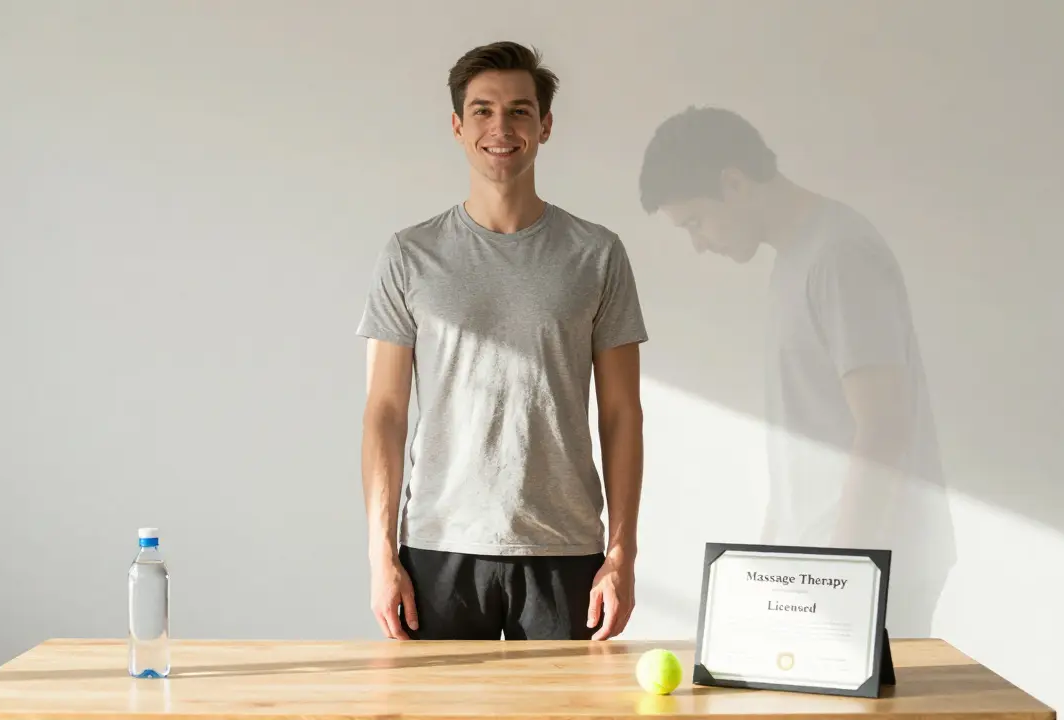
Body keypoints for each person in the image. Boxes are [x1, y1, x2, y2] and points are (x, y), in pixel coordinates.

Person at [356, 41, 648, 642]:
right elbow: (384, 413)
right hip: (438, 549)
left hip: (566, 550)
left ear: (544, 125)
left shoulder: (596, 254)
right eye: (483, 110)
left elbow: (622, 414)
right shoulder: (411, 255)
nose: (501, 127)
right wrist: (380, 554)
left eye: (519, 110)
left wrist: (622, 554)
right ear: (458, 126)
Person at [637, 106, 957, 638]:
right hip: (826, 565)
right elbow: (808, 436)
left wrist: (843, 572)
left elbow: (884, 426)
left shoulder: (839, 255)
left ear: (733, 183)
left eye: (695, 221)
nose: (698, 242)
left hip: (869, 567)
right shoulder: (797, 259)